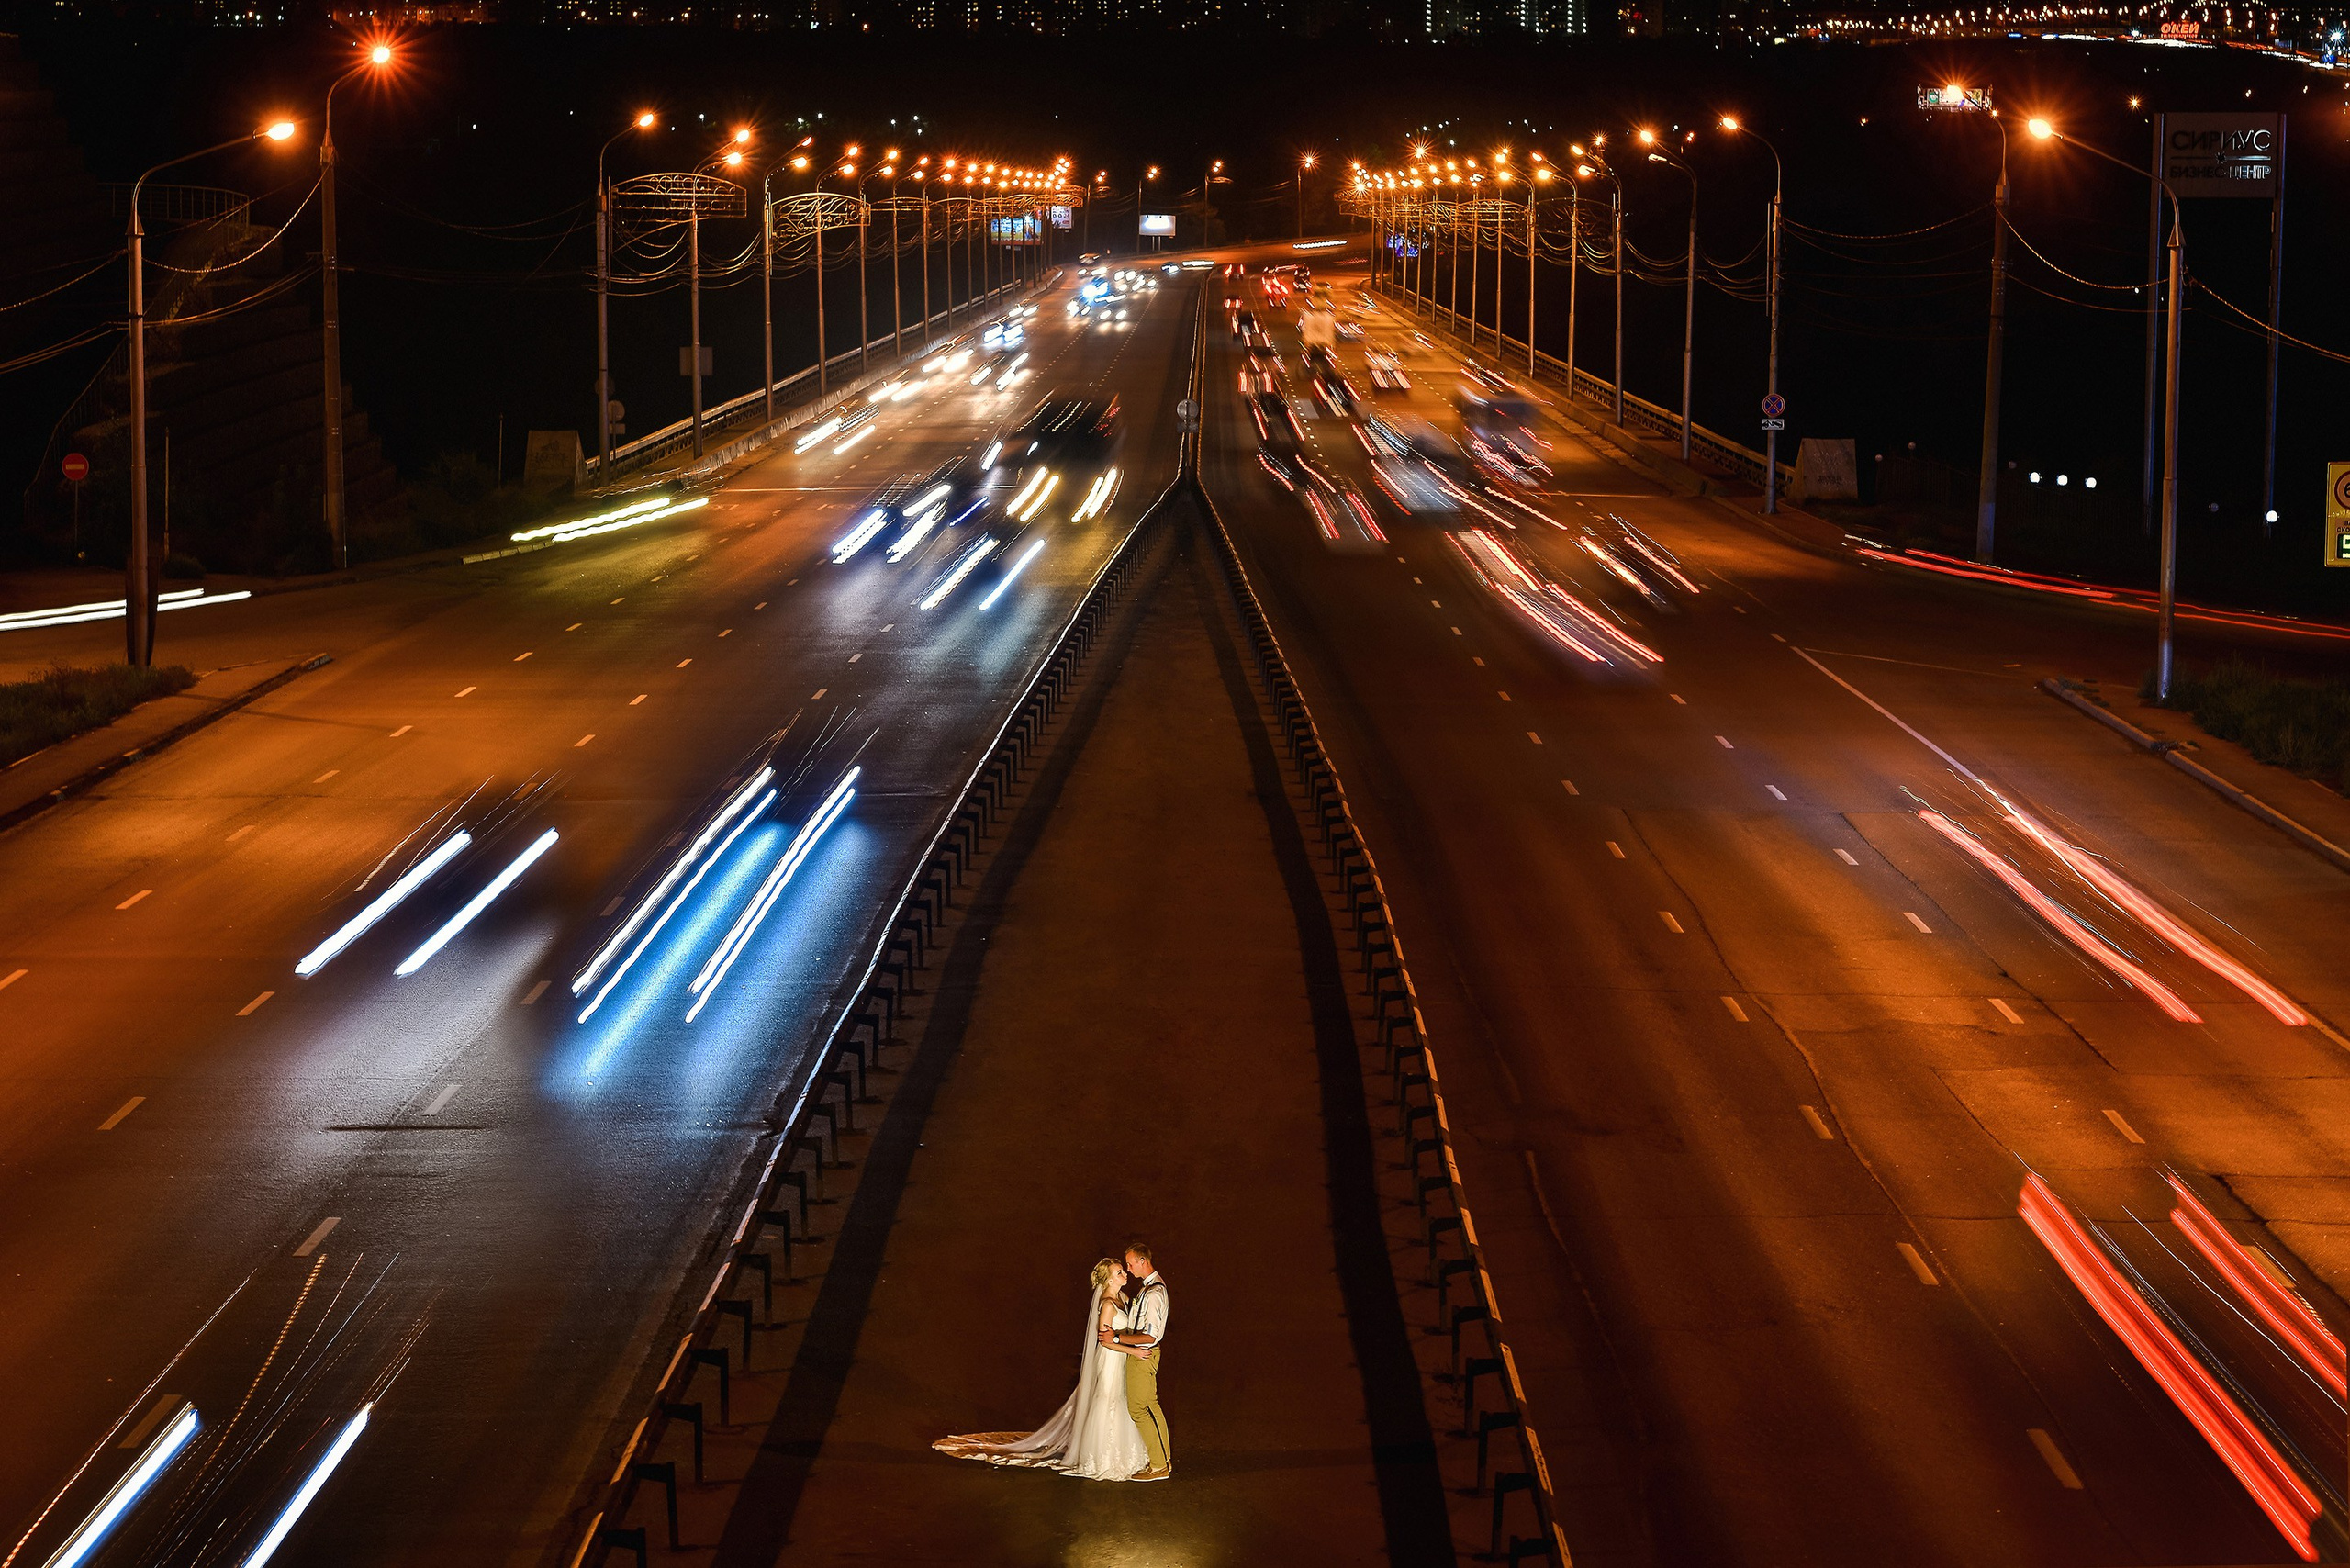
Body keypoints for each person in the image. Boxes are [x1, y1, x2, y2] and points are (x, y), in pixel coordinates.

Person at [934, 1259, 1149, 1480]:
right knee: (1108, 1399)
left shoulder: (1122, 1298)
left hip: (1122, 1357)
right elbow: (1104, 1341)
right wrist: (1134, 1351)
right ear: (1110, 1279)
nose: (1125, 1274)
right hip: (1112, 1358)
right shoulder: (1106, 1304)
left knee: (1123, 1399)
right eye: (1120, 1272)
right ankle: (1104, 1457)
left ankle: (1125, 1453)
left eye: (1123, 1271)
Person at [1102, 1238, 1170, 1481]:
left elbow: (1149, 1334)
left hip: (1143, 1355)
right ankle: (1164, 1460)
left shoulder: (1153, 1293)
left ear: (1143, 1261)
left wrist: (1118, 1340)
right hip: (1146, 1353)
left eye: (1130, 1264)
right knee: (1151, 1405)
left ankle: (1158, 1466)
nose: (1129, 1269)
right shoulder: (1150, 1288)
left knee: (1138, 1410)